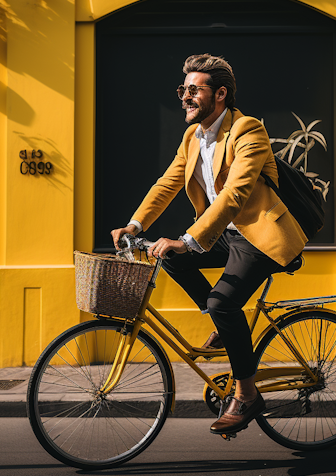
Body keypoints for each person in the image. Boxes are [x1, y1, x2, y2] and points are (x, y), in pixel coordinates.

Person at [111, 54, 307, 436]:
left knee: (221, 300)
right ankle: (223, 323)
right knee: (170, 259)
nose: (184, 96)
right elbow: (166, 184)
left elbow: (235, 195)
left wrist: (187, 239)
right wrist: (134, 224)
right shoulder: (192, 136)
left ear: (219, 94)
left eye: (193, 90)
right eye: (182, 89)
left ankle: (247, 395)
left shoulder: (248, 130)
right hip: (227, 234)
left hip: (261, 235)